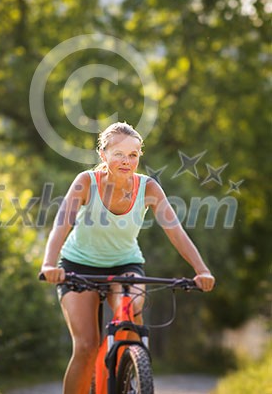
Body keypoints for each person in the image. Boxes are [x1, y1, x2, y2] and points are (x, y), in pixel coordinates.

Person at [40, 122, 215, 394]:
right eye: (119, 154)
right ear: (104, 155)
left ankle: (131, 369)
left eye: (133, 155)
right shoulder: (87, 182)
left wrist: (201, 270)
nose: (126, 161)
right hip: (77, 265)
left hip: (125, 264)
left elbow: (176, 232)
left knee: (132, 318)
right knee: (86, 346)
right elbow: (62, 224)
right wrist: (49, 264)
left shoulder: (149, 189)